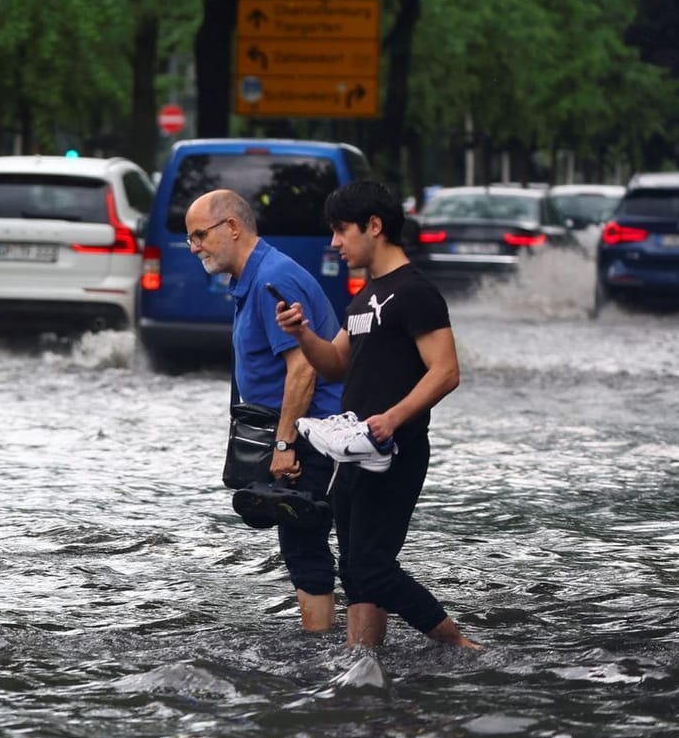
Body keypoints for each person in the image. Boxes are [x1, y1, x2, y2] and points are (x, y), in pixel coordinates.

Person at [275, 180, 480, 650]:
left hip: (395, 450)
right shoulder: (365, 296)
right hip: (353, 450)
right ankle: (362, 662)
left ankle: (460, 647)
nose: (334, 243)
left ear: (374, 225)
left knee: (371, 565)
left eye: (341, 230)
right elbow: (335, 363)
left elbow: (446, 371)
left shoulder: (414, 293)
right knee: (353, 568)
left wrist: (393, 418)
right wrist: (302, 333)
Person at [183, 189, 345, 632]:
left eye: (199, 235)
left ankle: (326, 652)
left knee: (305, 544)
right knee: (303, 544)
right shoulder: (253, 278)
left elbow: (302, 371)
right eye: (190, 238)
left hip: (314, 434)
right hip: (297, 431)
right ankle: (332, 650)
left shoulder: (274, 277)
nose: (194, 246)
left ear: (231, 227)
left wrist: (283, 444)